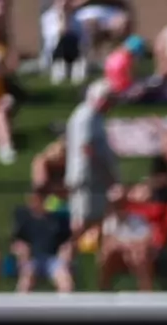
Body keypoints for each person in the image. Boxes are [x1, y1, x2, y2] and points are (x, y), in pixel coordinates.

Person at [66, 79, 118, 241]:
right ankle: (71, 249)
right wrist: (105, 169)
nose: (111, 104)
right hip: (85, 175)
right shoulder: (85, 116)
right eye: (109, 100)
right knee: (81, 217)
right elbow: (86, 148)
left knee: (97, 215)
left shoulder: (96, 117)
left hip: (95, 176)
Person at [11, 188, 76, 292]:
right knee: (26, 279)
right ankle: (21, 307)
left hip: (53, 259)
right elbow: (16, 242)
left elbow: (67, 241)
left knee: (65, 282)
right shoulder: (23, 218)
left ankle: (63, 307)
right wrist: (21, 252)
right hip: (32, 259)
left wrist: (65, 253)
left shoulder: (57, 219)